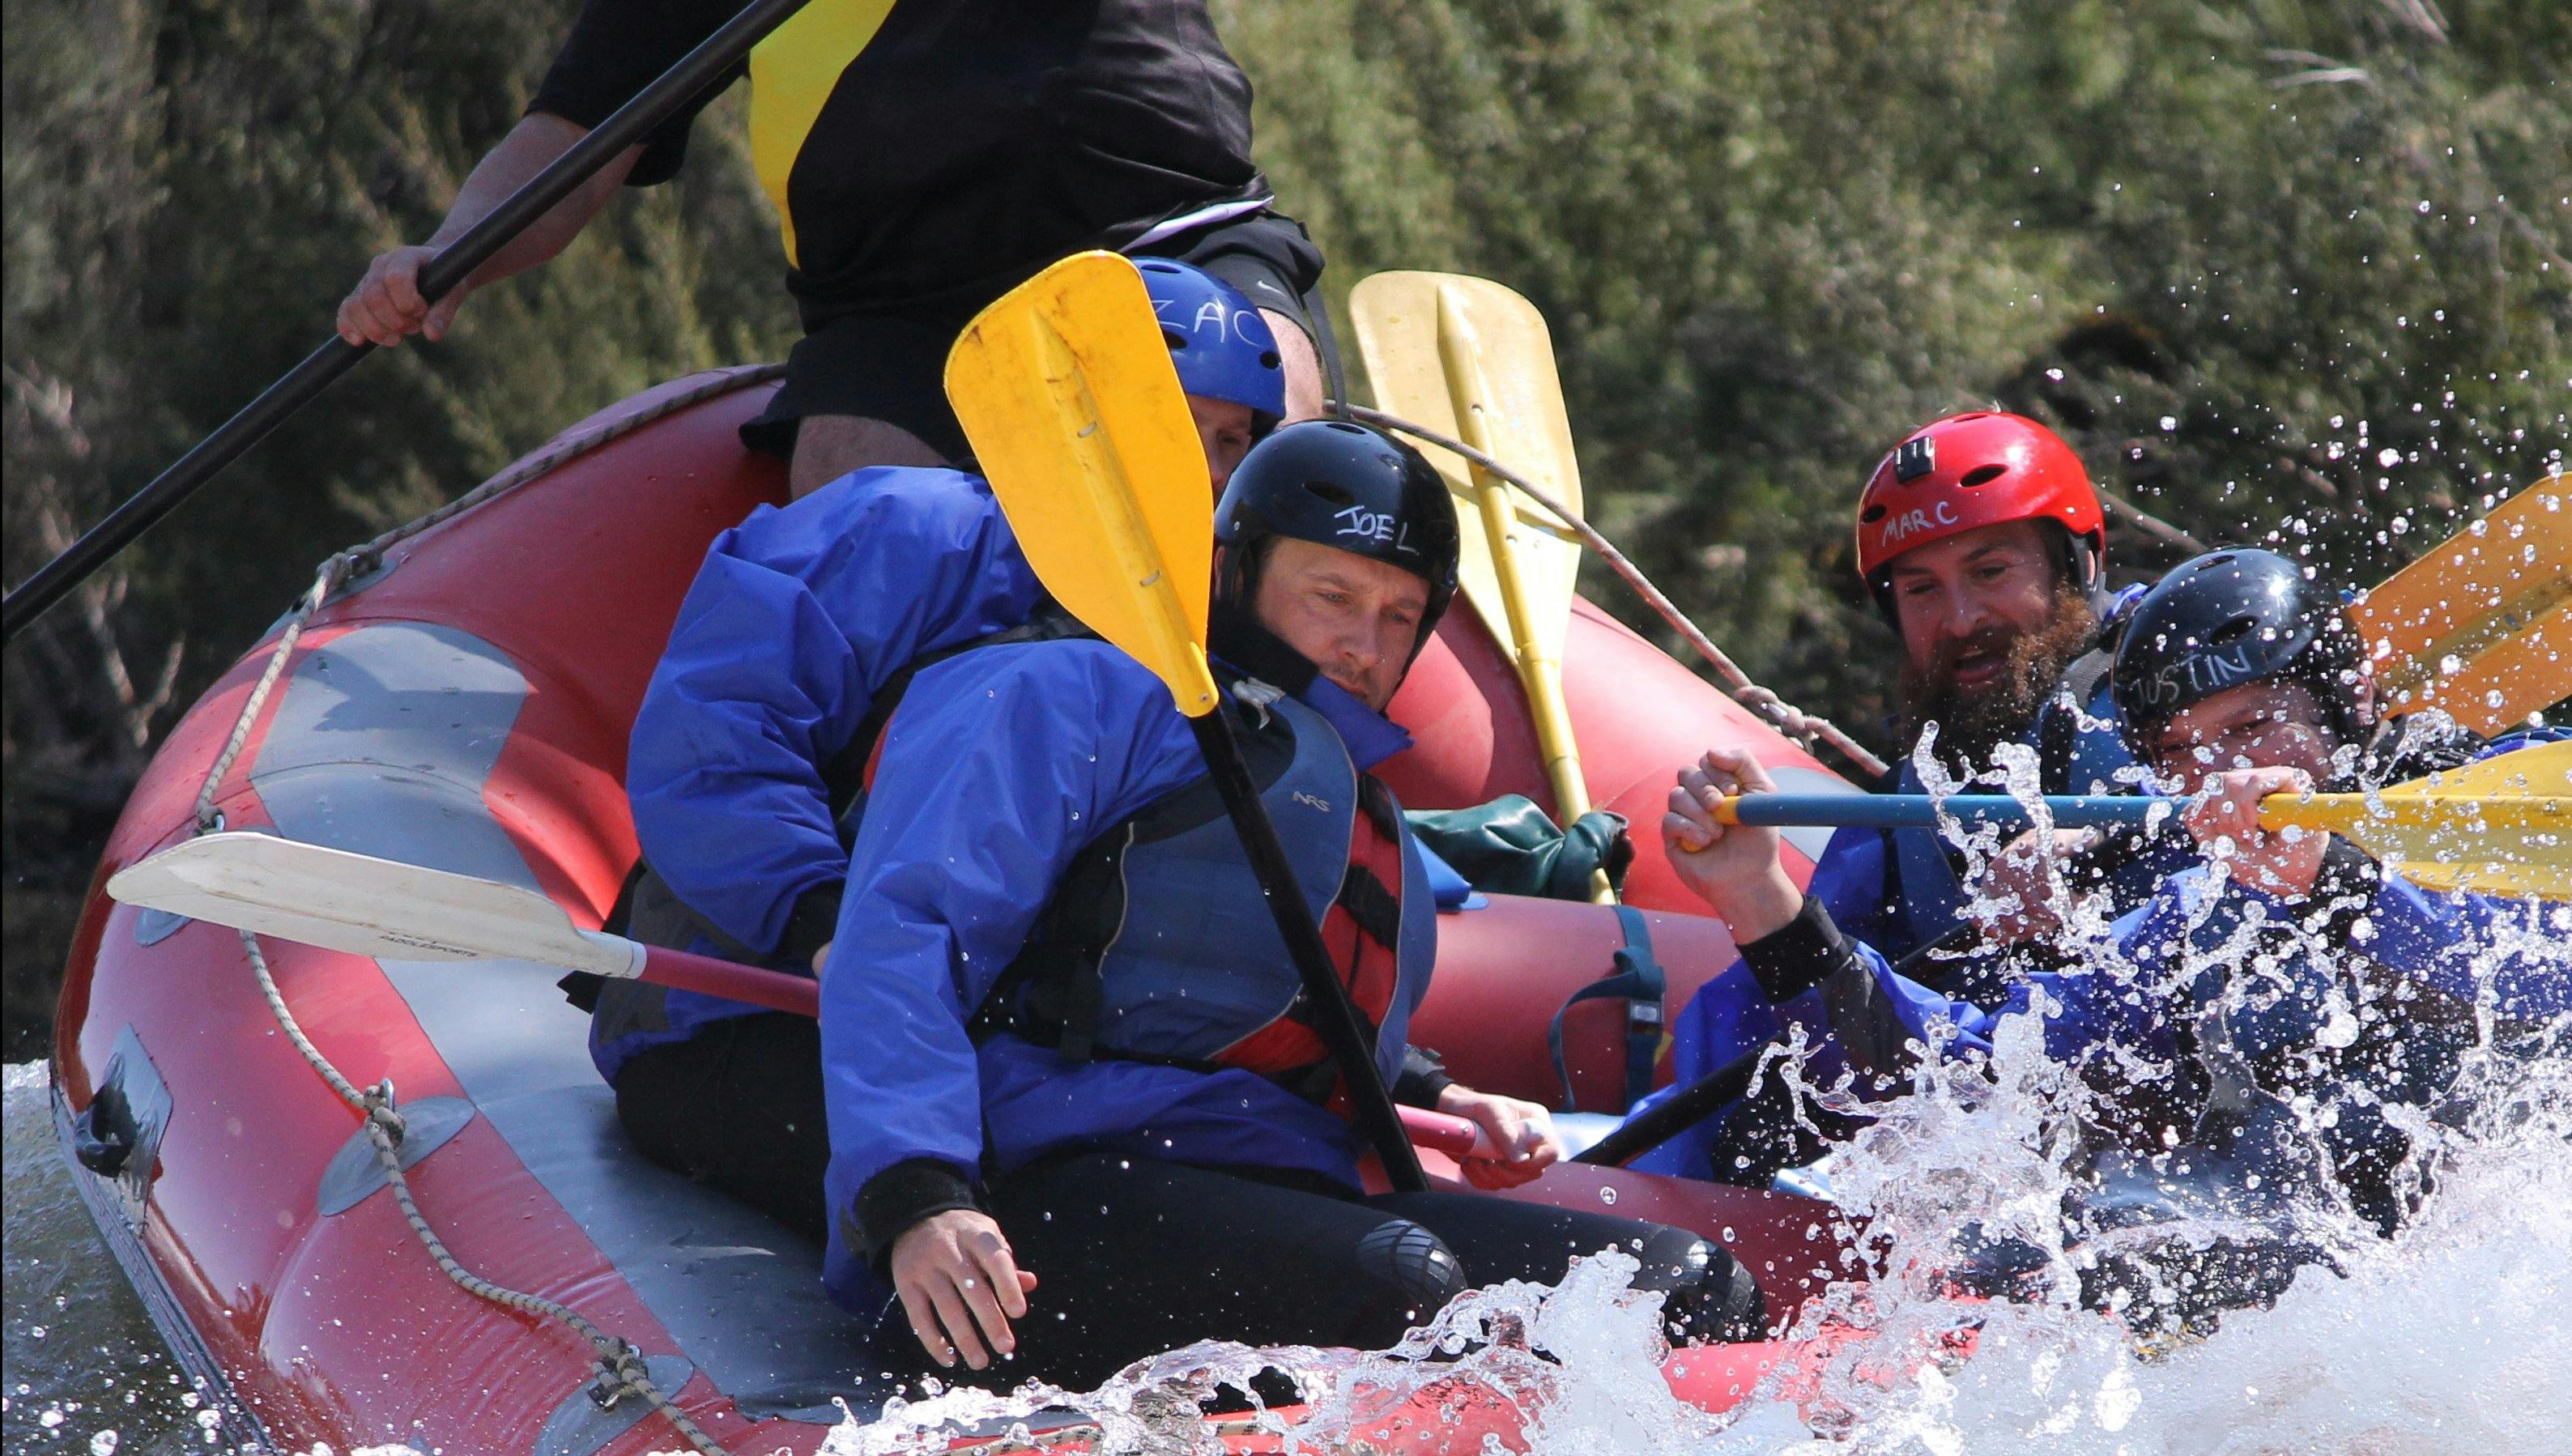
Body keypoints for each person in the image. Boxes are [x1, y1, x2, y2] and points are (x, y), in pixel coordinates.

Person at [818, 419, 1766, 1381]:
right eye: (1333, 596)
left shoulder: (1341, 785)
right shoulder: (1062, 692)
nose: (1364, 643)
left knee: (1686, 1289)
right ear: (1234, 571)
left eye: (1400, 616)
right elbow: (901, 943)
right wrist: (917, 1198)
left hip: (1266, 1185)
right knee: (1405, 1286)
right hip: (1026, 1199)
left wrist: (1432, 1090)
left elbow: (1244, 1007)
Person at [1647, 547, 2572, 1318]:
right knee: (2073, 1239)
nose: (2223, 775)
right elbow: (1964, 1075)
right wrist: (1766, 908)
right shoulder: (2198, 919)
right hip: (2360, 1282)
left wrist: (2339, 883)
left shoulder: (2491, 801)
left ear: (2337, 712)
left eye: (2252, 727)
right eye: (2182, 752)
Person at [588, 258, 1287, 1237]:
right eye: (1184, 424)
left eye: (1233, 440)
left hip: (988, 1043)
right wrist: (824, 922)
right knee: (1048, 1205)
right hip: (753, 1012)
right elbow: (717, 744)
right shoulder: (904, 530)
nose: (1210, 468)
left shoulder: (1197, 622)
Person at [336, 0, 1335, 496]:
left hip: (1175, 237)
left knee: (1267, 421)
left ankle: (1275, 780)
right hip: (902, 314)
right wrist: (453, 250)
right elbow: (571, 143)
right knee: (854, 510)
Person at [1701, 411, 2166, 1006]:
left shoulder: (2179, 685)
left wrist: (2101, 841)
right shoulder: (1901, 818)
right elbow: (1821, 1038)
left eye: (1990, 571)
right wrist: (1753, 895)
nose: (1961, 619)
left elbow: (2271, 809)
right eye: (1922, 590)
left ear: (2079, 566)